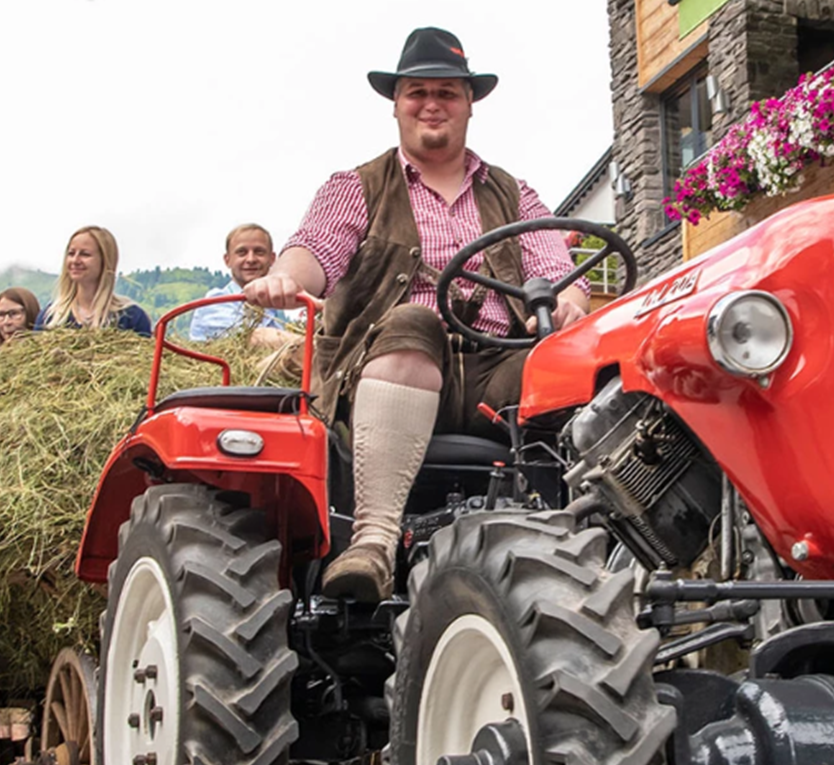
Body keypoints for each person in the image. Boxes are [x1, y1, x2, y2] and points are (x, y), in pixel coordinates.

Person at [245, 27, 588, 603]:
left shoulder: (514, 194)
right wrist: (285, 276)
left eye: (448, 93)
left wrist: (568, 304)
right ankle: (373, 541)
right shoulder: (357, 187)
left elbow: (552, 269)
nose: (432, 104)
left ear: (469, 105)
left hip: (491, 371)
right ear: (397, 105)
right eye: (418, 92)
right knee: (415, 322)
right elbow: (315, 251)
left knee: (580, 367)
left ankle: (593, 536)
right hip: (384, 365)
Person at [188, 223, 293, 346]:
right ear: (227, 260)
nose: (250, 259)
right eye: (242, 253)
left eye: (259, 252)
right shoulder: (215, 303)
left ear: (272, 259)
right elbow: (247, 338)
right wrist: (306, 344)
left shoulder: (271, 309)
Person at [35, 226, 151, 335]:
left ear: (105, 261)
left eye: (85, 254)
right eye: (71, 253)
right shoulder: (51, 318)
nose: (75, 260)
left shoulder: (130, 317)